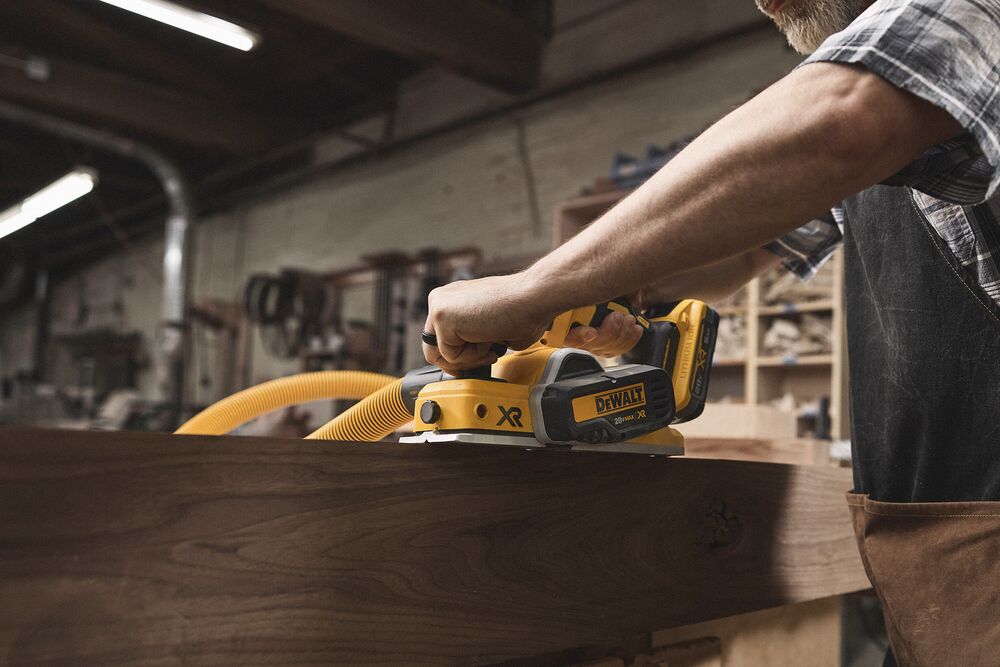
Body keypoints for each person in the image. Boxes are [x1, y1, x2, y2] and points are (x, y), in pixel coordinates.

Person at [422, 1, 1000, 664]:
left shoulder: (958, 22)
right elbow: (747, 249)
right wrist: (613, 285)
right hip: (941, 585)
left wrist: (533, 290)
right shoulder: (894, 110)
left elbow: (839, 121)